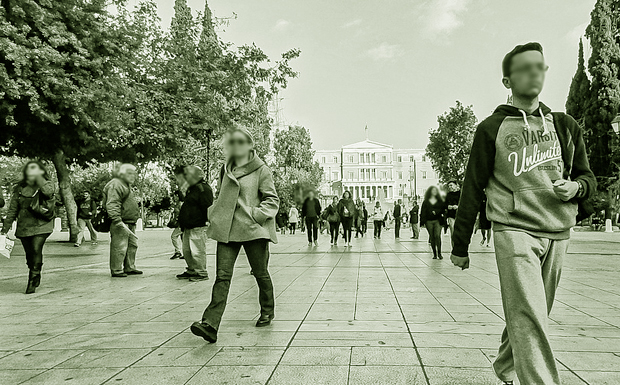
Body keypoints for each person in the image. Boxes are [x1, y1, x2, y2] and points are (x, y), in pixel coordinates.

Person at [450, 43, 596, 385]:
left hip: (557, 230)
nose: (534, 72)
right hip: (513, 229)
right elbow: (472, 185)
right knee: (530, 315)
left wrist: (577, 189)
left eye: (540, 66)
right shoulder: (491, 128)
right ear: (507, 80)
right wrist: (460, 245)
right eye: (525, 67)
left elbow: (587, 177)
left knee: (531, 312)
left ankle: (505, 366)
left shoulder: (564, 125)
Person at [191, 127, 279, 343]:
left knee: (260, 273)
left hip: (252, 229)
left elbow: (272, 199)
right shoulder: (226, 168)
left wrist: (256, 215)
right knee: (222, 276)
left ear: (249, 145)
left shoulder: (261, 170)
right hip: (228, 229)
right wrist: (215, 213)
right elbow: (222, 195)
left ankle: (267, 309)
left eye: (240, 142)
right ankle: (210, 324)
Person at [1, 161, 56, 294]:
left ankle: (33, 278)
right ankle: (34, 270)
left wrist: (40, 179)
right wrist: (5, 228)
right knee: (29, 254)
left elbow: (49, 193)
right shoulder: (20, 188)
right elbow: (13, 209)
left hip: (42, 224)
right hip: (24, 226)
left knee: (36, 249)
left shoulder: (46, 184)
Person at [103, 163, 142, 278]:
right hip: (121, 221)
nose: (133, 176)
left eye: (134, 174)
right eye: (129, 173)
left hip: (129, 221)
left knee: (131, 245)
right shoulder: (116, 184)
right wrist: (116, 220)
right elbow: (113, 203)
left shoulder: (125, 185)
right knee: (119, 246)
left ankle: (129, 267)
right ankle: (117, 269)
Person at [176, 166, 213, 282]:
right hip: (188, 225)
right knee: (187, 250)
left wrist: (205, 220)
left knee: (197, 250)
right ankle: (192, 269)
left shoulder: (203, 188)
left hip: (197, 225)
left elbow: (207, 206)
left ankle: (201, 272)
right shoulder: (192, 189)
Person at [420, 186, 446, 260]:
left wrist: (437, 212)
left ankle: (439, 253)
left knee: (437, 235)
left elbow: (443, 209)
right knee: (432, 237)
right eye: (432, 190)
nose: (434, 192)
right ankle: (434, 253)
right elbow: (423, 212)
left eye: (435, 190)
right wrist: (422, 222)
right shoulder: (426, 201)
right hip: (429, 221)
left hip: (437, 220)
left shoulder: (440, 200)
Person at [170, 166, 187, 260]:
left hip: (180, 224)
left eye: (175, 196)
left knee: (173, 236)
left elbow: (181, 214)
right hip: (181, 224)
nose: (174, 198)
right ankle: (185, 252)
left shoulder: (180, 204)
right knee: (183, 238)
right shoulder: (179, 204)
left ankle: (177, 251)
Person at [445, 181, 461, 246]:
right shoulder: (448, 195)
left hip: (459, 216)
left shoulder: (461, 194)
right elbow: (444, 204)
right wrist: (447, 206)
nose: (450, 187)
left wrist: (457, 207)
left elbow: (465, 204)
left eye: (451, 185)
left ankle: (459, 247)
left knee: (459, 233)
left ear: (456, 185)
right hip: (451, 215)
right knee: (453, 232)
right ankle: (454, 248)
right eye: (449, 186)